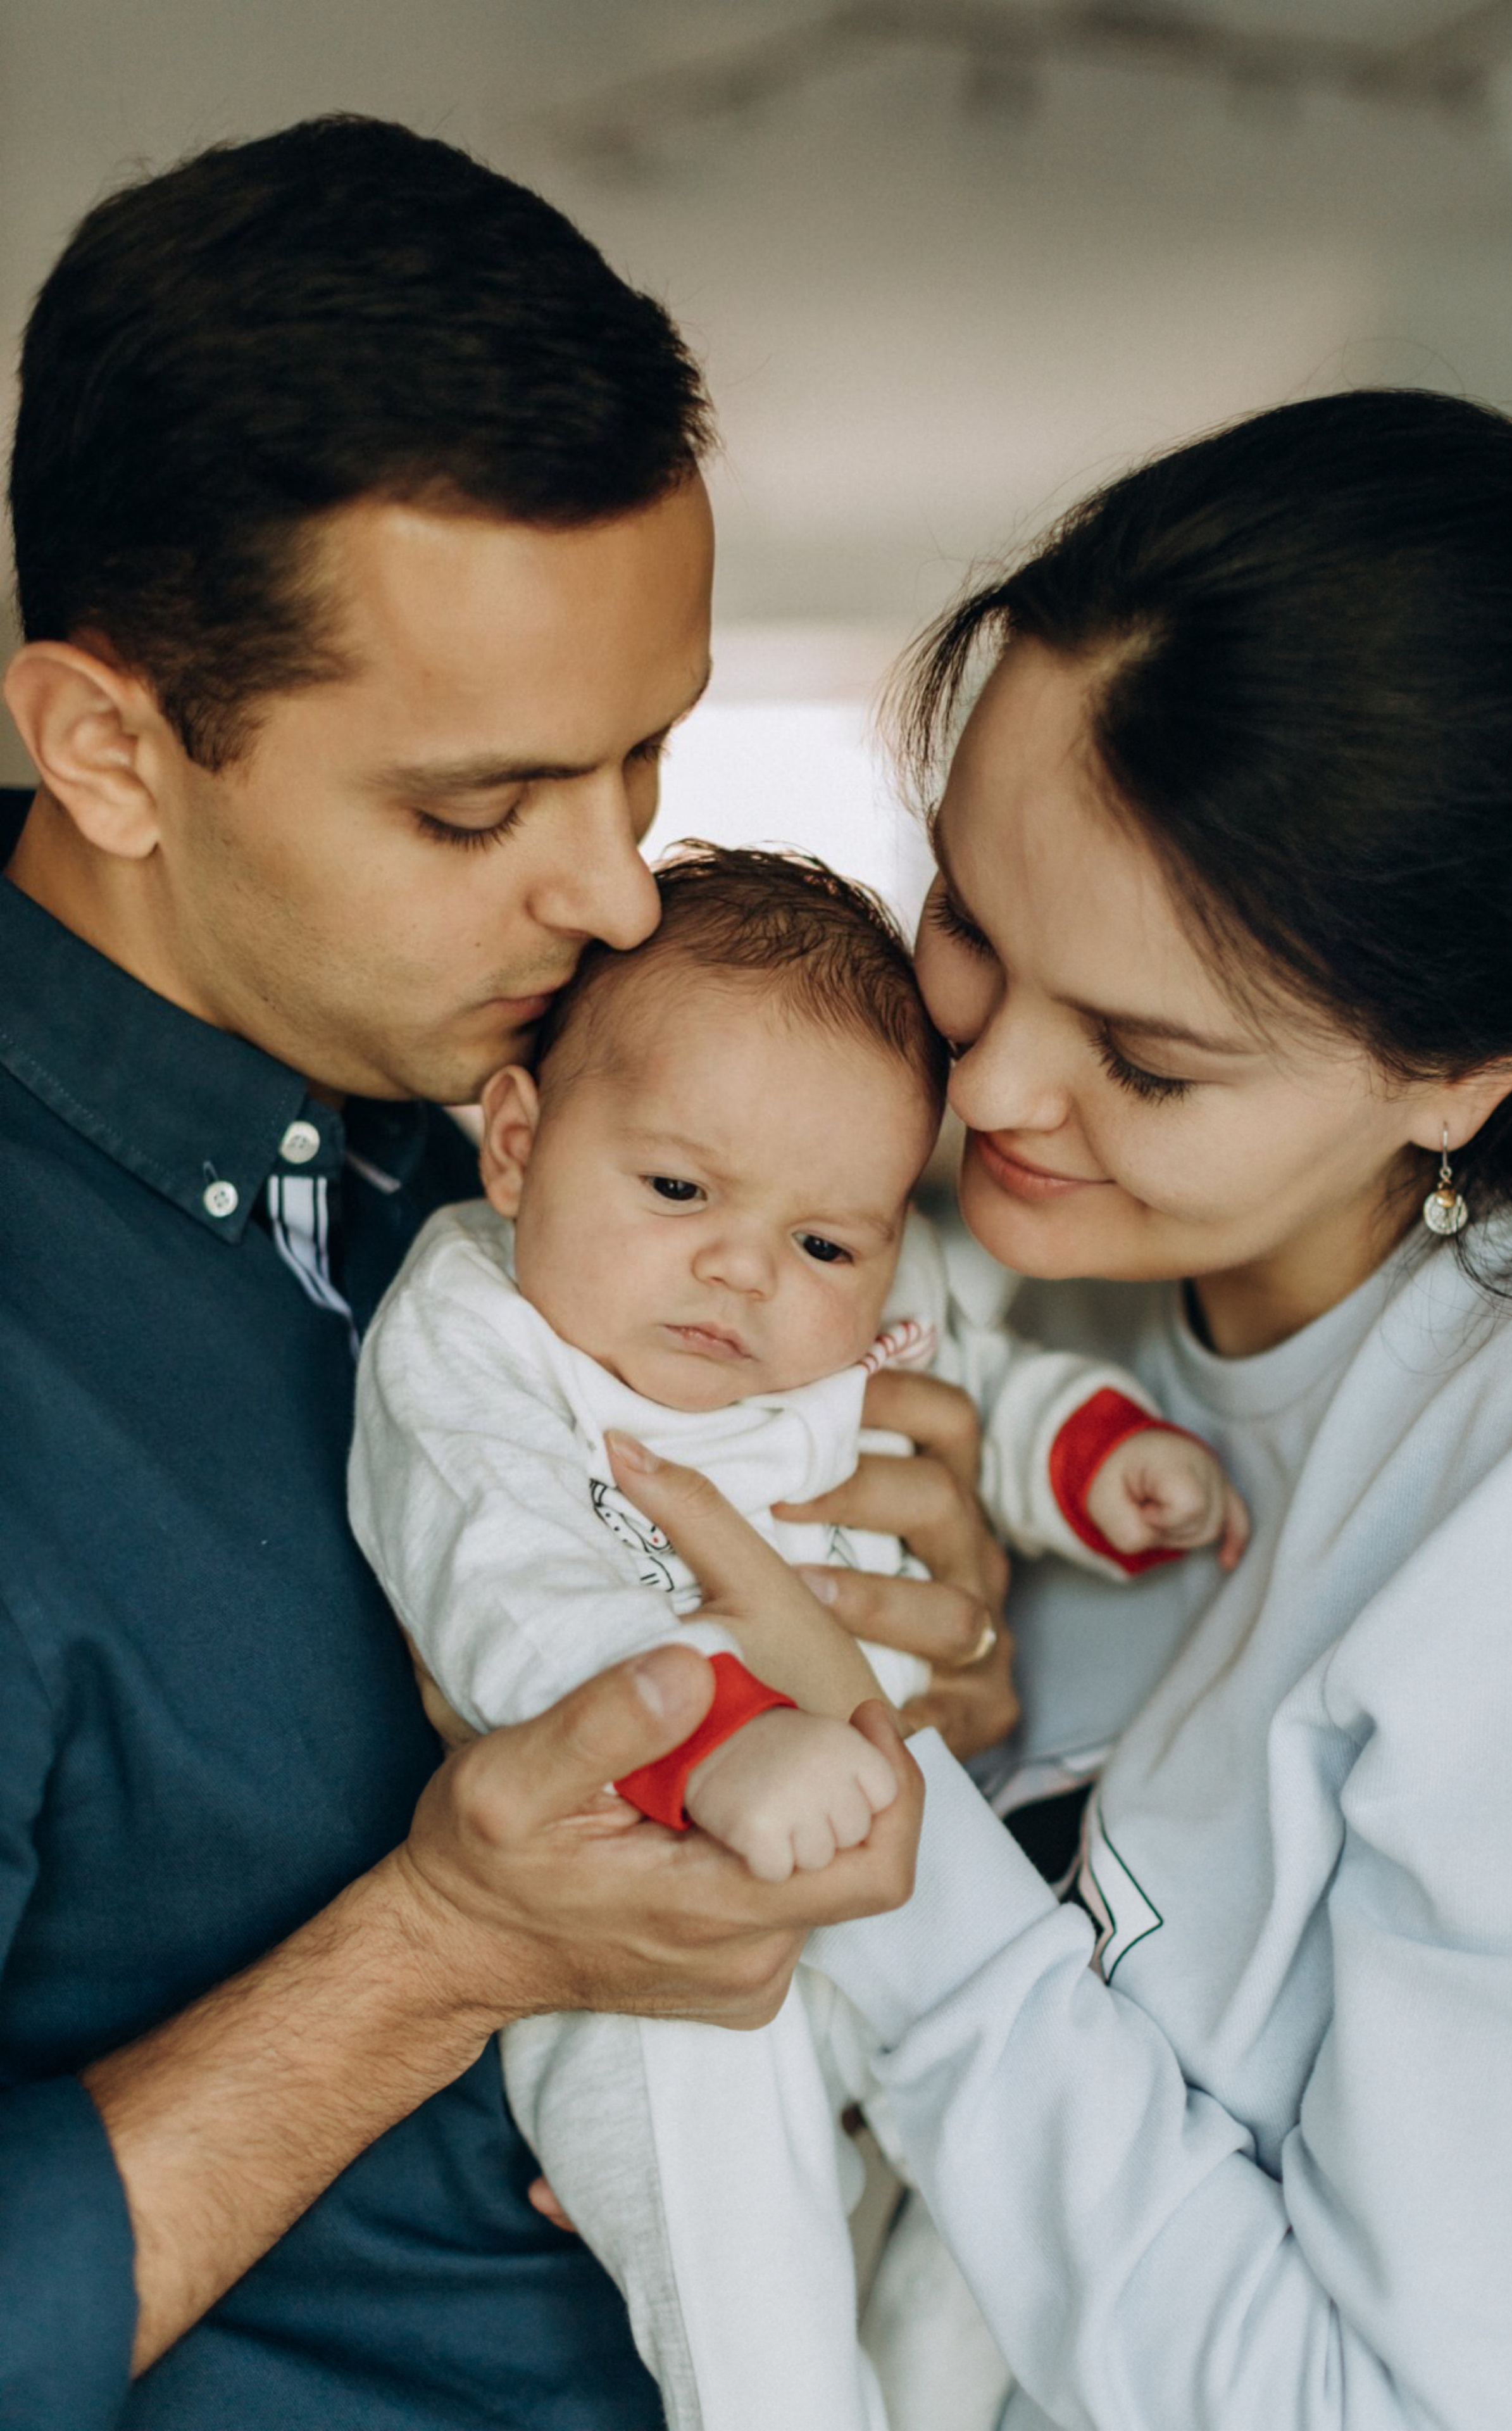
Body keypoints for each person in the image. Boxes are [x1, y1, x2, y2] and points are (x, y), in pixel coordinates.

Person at [0, 116, 966, 2430]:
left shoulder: (591, 1092)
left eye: (647, 757)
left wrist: (882, 1616)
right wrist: (447, 1952)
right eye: (478, 809)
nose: (620, 897)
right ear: (110, 750)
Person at [600, 391, 1512, 2430]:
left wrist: (893, 1848)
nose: (978, 1098)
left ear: (1465, 1073)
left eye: (1145, 1062)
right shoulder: (929, 1278)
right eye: (968, 919)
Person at [348, 842, 1244, 2431]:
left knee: (1050, 2160)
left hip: (902, 1889)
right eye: (677, 1189)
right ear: (514, 1145)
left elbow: (970, 1371)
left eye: (828, 1243)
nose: (745, 1269)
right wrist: (711, 1743)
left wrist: (1089, 1460)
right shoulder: (481, 1338)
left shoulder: (848, 1320)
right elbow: (501, 1577)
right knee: (742, 2244)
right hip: (658, 1910)